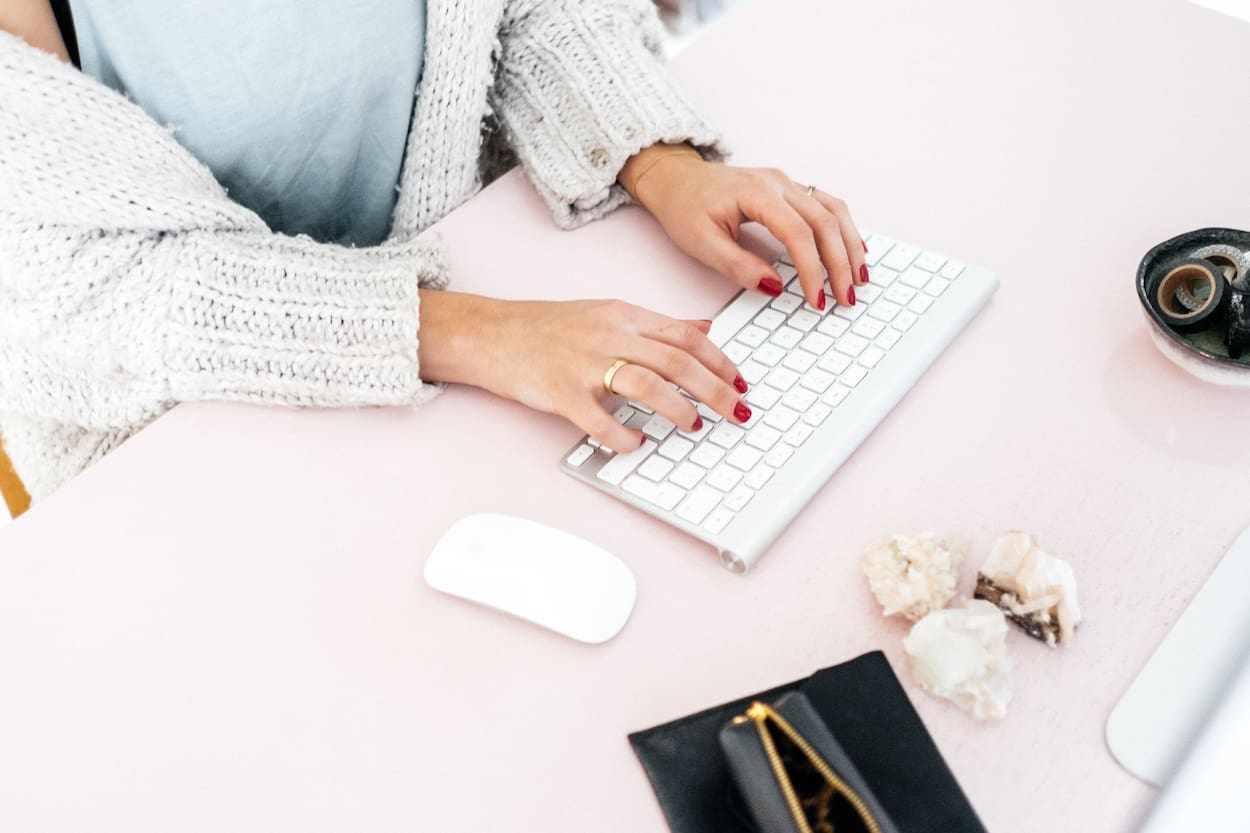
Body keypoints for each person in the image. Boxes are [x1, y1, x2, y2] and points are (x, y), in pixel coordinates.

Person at [0, 0, 868, 504]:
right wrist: (474, 334)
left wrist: (656, 161)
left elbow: (529, 8)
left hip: (510, 334)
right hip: (192, 439)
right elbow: (96, 277)